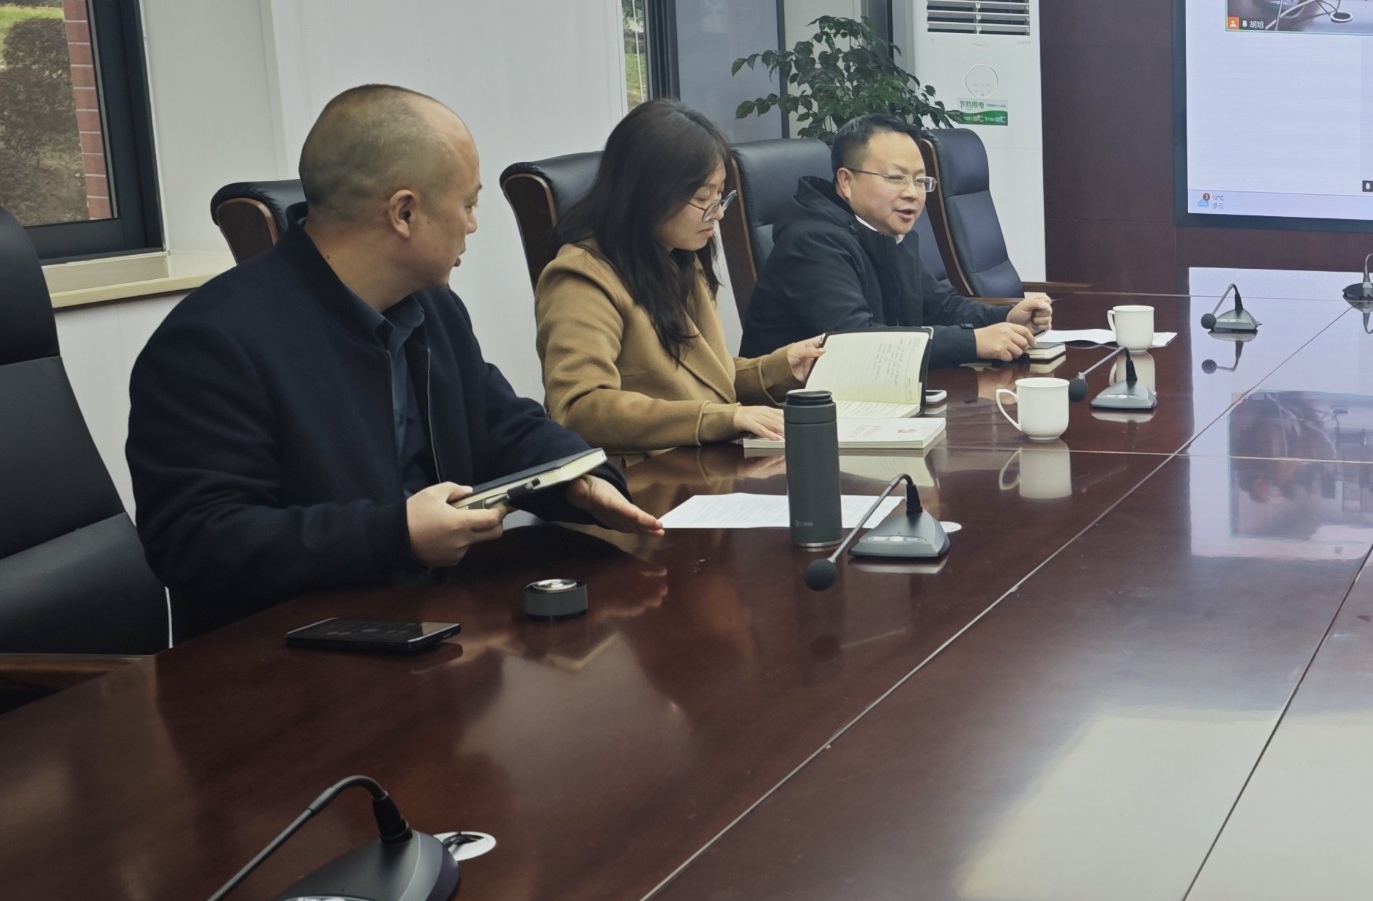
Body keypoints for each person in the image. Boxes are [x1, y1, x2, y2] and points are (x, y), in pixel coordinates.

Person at [127, 83, 661, 635]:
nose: (473, 225)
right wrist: (396, 535)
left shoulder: (433, 307)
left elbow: (499, 423)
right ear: (404, 212)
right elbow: (196, 542)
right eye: (468, 204)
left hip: (434, 626)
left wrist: (578, 477)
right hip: (295, 656)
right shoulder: (213, 342)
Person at [535, 97, 824, 452]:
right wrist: (719, 418)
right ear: (647, 193)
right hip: (647, 473)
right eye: (703, 198)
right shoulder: (581, 278)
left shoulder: (679, 257)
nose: (718, 213)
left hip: (701, 459)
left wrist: (781, 368)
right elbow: (581, 409)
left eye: (721, 195)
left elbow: (704, 379)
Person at [737, 113, 1052, 368]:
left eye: (920, 180)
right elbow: (853, 340)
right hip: (792, 412)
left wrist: (1006, 316)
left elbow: (940, 306)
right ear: (846, 181)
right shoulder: (812, 242)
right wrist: (973, 342)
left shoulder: (884, 232)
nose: (912, 193)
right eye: (896, 178)